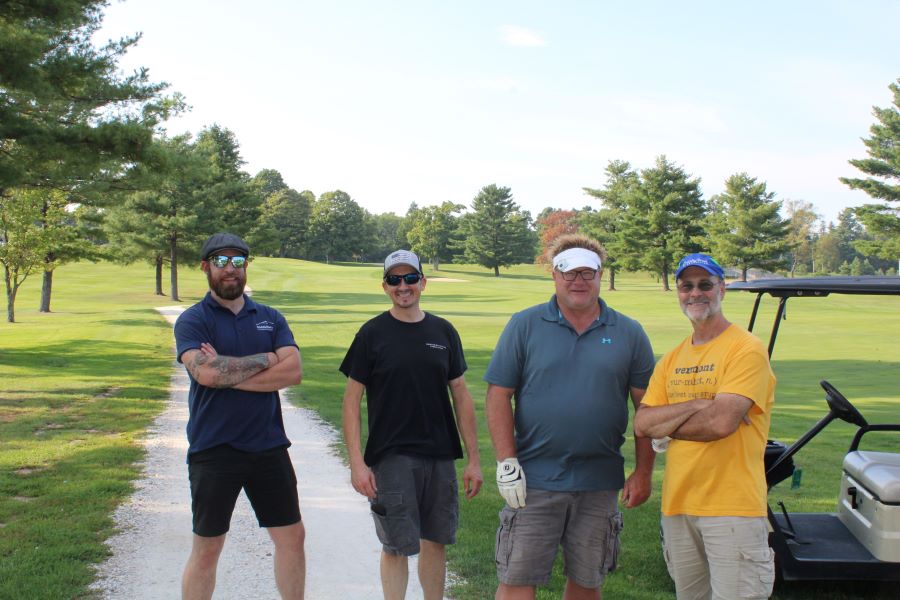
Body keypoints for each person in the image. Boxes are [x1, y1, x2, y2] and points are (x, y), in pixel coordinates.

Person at [484, 233, 656, 600]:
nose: (578, 281)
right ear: (554, 275)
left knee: (587, 580)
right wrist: (506, 461)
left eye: (587, 272)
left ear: (600, 275)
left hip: (599, 481)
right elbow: (499, 394)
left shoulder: (629, 332)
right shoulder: (525, 325)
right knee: (517, 577)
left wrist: (643, 472)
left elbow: (647, 409)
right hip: (533, 480)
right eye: (569, 272)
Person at [340, 249, 483, 600]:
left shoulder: (443, 331)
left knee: (436, 541)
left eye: (410, 278)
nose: (403, 286)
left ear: (423, 282)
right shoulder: (372, 334)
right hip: (392, 457)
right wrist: (357, 463)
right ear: (385, 286)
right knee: (396, 546)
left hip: (440, 455)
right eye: (394, 279)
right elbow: (351, 400)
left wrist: (474, 460)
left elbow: (460, 393)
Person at [633, 253, 776, 600]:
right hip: (678, 506)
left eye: (705, 285)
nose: (695, 293)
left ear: (721, 289)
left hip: (733, 509)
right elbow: (642, 423)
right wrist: (699, 404)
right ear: (678, 293)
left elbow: (721, 423)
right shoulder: (672, 359)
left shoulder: (746, 349)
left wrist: (667, 424)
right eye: (687, 286)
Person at [174, 232, 305, 600]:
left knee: (292, 538)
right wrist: (268, 358)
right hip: (214, 448)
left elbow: (293, 371)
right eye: (220, 261)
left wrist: (227, 375)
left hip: (268, 446)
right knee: (208, 547)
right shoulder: (193, 320)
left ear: (247, 265)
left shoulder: (269, 318)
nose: (229, 269)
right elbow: (205, 373)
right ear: (205, 267)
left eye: (237, 261)